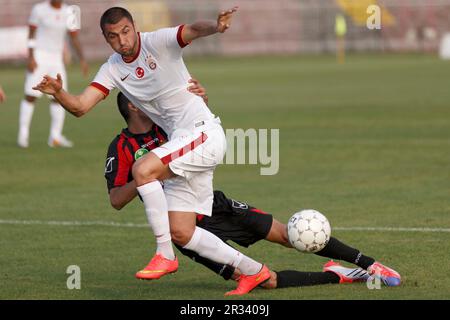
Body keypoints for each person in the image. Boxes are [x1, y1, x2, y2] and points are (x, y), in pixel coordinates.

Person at [33, 6, 275, 296]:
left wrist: (218, 26)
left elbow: (192, 30)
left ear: (134, 27)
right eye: (113, 36)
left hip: (202, 132)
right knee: (182, 231)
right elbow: (81, 107)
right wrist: (59, 92)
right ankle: (253, 271)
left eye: (125, 31)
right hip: (184, 143)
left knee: (143, 169)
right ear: (106, 39)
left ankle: (165, 256)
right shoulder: (111, 68)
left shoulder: (156, 41)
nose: (122, 41)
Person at [104, 84, 401, 289]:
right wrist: (144, 176)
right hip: (186, 231)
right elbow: (116, 199)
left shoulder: (168, 126)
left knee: (288, 234)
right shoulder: (121, 147)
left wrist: (202, 100)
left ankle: (371, 265)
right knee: (266, 280)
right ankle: (340, 276)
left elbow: (201, 125)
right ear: (132, 104)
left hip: (213, 205)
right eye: (145, 97)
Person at [19, 0, 88, 148]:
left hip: (56, 59)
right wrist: (31, 57)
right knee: (31, 95)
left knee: (59, 96)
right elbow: (31, 35)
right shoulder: (39, 9)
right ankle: (23, 135)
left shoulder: (69, 11)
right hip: (39, 56)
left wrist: (82, 59)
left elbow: (74, 37)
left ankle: (55, 137)